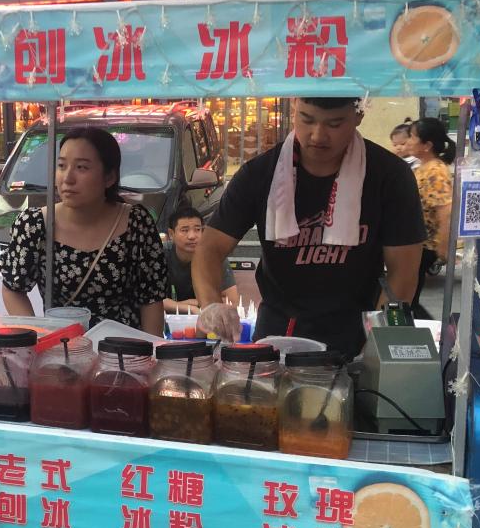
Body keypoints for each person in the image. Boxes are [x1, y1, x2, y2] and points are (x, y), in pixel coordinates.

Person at [192, 97, 425, 359]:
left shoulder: (389, 176)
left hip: (356, 333)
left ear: (358, 116)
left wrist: (375, 348)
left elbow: (402, 272)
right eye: (307, 119)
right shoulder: (259, 174)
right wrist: (210, 305)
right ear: (294, 108)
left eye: (334, 124)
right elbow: (209, 249)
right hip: (279, 334)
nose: (318, 135)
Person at [0, 126, 167, 336]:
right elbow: (13, 289)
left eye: (81, 167)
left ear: (109, 177)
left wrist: (152, 348)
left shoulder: (136, 224)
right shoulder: (34, 225)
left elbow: (151, 299)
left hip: (124, 349)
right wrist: (38, 336)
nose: (67, 178)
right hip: (63, 347)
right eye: (61, 166)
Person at [405, 118, 455, 320]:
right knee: (408, 298)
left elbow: (445, 210)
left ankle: (429, 332)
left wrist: (443, 246)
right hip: (414, 243)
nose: (408, 141)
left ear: (426, 145)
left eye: (412, 137)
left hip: (424, 246)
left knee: (408, 299)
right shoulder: (423, 166)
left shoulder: (436, 171)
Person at [163, 206, 239, 315]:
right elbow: (151, 301)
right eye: (184, 230)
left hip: (205, 317)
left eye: (197, 230)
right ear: (171, 234)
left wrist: (190, 303)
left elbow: (232, 301)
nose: (192, 236)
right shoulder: (160, 254)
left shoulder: (214, 256)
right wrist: (189, 307)